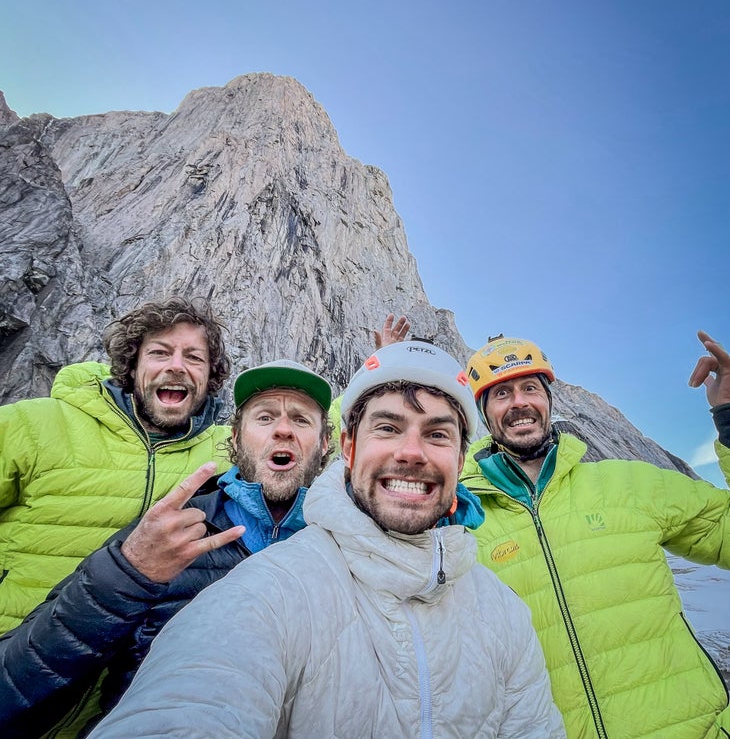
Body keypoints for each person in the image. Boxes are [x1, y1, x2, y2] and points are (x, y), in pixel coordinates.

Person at [86, 341, 565, 739]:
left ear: (461, 460)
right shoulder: (270, 590)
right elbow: (189, 705)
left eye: (438, 435)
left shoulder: (502, 612)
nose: (412, 452)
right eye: (388, 428)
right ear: (350, 448)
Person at [0, 358, 333, 739]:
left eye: (302, 420)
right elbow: (18, 684)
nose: (284, 430)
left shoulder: (343, 546)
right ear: (237, 437)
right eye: (265, 417)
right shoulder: (163, 532)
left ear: (325, 444)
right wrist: (127, 572)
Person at [460, 331, 730, 739]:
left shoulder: (630, 484)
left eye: (530, 387)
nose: (519, 403)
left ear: (549, 400)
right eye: (500, 394)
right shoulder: (462, 519)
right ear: (484, 414)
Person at [0, 295, 232, 634]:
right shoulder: (33, 424)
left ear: (210, 374)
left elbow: (319, 432)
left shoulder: (227, 450)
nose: (177, 366)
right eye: (159, 352)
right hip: (17, 654)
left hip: (132, 676)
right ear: (132, 364)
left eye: (194, 357)